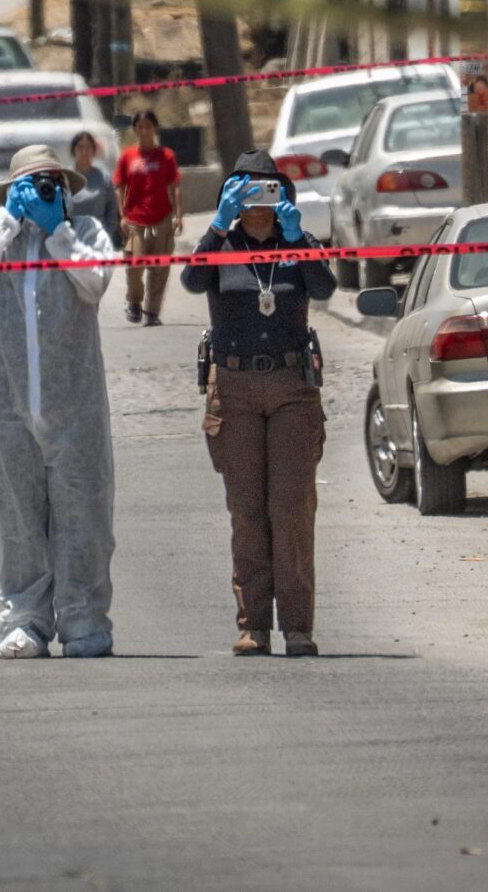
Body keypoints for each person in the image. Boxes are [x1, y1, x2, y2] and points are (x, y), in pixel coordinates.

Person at [0, 145, 120, 659]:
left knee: (84, 509)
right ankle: (26, 619)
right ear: (14, 188)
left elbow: (95, 281)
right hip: (5, 405)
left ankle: (85, 619)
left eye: (54, 184)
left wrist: (58, 231)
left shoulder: (83, 233)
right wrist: (8, 222)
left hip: (74, 404)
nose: (46, 191)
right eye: (36, 183)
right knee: (14, 509)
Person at [181, 151, 335, 657]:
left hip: (292, 384)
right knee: (247, 512)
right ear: (232, 194)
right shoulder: (223, 243)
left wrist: (297, 237)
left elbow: (325, 287)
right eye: (245, 189)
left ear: (282, 194)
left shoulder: (298, 242)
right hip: (235, 385)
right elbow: (191, 280)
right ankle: (254, 625)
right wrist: (218, 225)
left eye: (267, 188)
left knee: (291, 509)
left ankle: (297, 627)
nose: (257, 200)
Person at [112, 109, 180, 326]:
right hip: (135, 219)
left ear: (155, 128)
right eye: (139, 127)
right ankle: (134, 300)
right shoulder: (127, 157)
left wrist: (178, 215)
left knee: (160, 267)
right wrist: (121, 215)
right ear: (134, 130)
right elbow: (119, 186)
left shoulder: (166, 156)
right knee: (134, 263)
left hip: (161, 217)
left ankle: (152, 311)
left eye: (148, 127)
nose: (144, 131)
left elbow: (174, 186)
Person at [69, 130, 122, 248]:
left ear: (94, 150)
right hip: (72, 241)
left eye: (88, 147)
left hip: (99, 240)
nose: (84, 151)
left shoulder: (104, 178)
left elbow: (112, 210)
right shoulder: (66, 178)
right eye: (80, 147)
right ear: (74, 150)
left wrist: (106, 234)